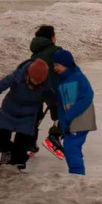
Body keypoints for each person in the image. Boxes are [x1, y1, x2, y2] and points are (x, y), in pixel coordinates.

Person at [0, 58, 51, 169]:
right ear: (28, 74)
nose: (36, 83)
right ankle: (10, 153)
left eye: (39, 82)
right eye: (34, 80)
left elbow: (54, 99)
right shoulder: (17, 77)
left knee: (20, 157)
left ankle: (17, 168)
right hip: (8, 113)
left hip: (28, 118)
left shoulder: (45, 86)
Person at [50, 49, 95, 175]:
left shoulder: (78, 77)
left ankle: (77, 175)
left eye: (57, 65)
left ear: (66, 64)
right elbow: (60, 105)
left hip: (81, 119)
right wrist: (63, 121)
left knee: (71, 146)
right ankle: (76, 173)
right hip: (70, 120)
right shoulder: (60, 81)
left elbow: (87, 96)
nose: (55, 68)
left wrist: (69, 115)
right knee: (71, 146)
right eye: (54, 65)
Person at [29, 25, 61, 155]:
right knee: (62, 115)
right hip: (52, 89)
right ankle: (54, 138)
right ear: (52, 37)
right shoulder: (56, 51)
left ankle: (30, 144)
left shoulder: (34, 54)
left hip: (34, 88)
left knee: (35, 117)